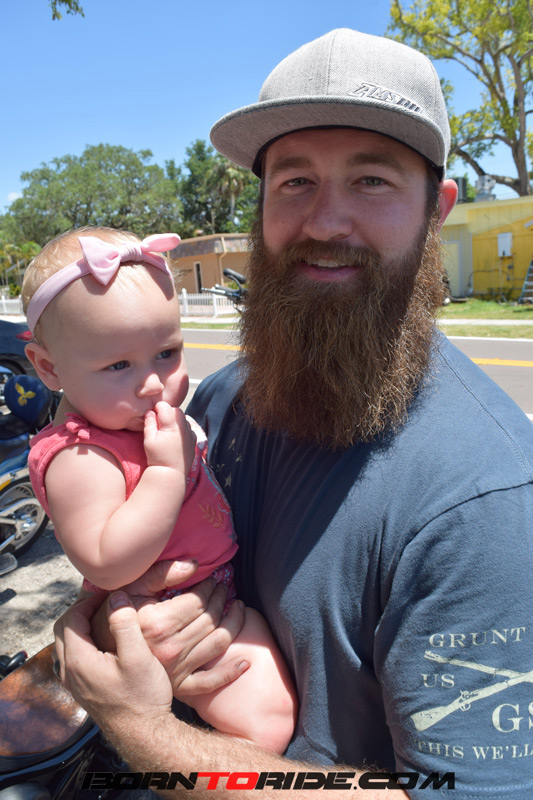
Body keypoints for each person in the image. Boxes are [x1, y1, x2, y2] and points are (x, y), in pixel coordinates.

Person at [54, 28, 533, 799]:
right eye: (295, 181)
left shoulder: (486, 504)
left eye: (371, 180)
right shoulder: (218, 401)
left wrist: (145, 731)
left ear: (435, 210)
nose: (324, 221)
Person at [22, 227, 296, 752]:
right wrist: (167, 474)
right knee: (268, 722)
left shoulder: (132, 420)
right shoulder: (81, 456)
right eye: (118, 365)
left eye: (167, 353)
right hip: (164, 615)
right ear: (50, 368)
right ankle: (209, 764)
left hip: (208, 594)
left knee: (278, 694)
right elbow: (106, 562)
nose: (153, 383)